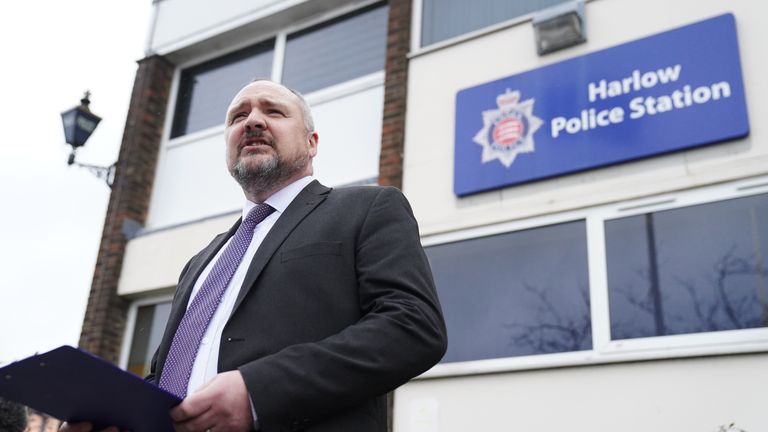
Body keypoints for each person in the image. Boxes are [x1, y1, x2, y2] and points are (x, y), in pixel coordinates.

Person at [63, 79, 446, 432]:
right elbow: (172, 378)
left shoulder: (368, 208)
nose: (253, 122)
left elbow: (413, 326)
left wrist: (259, 392)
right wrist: (116, 416)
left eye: (273, 112)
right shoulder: (202, 262)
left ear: (312, 142)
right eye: (238, 116)